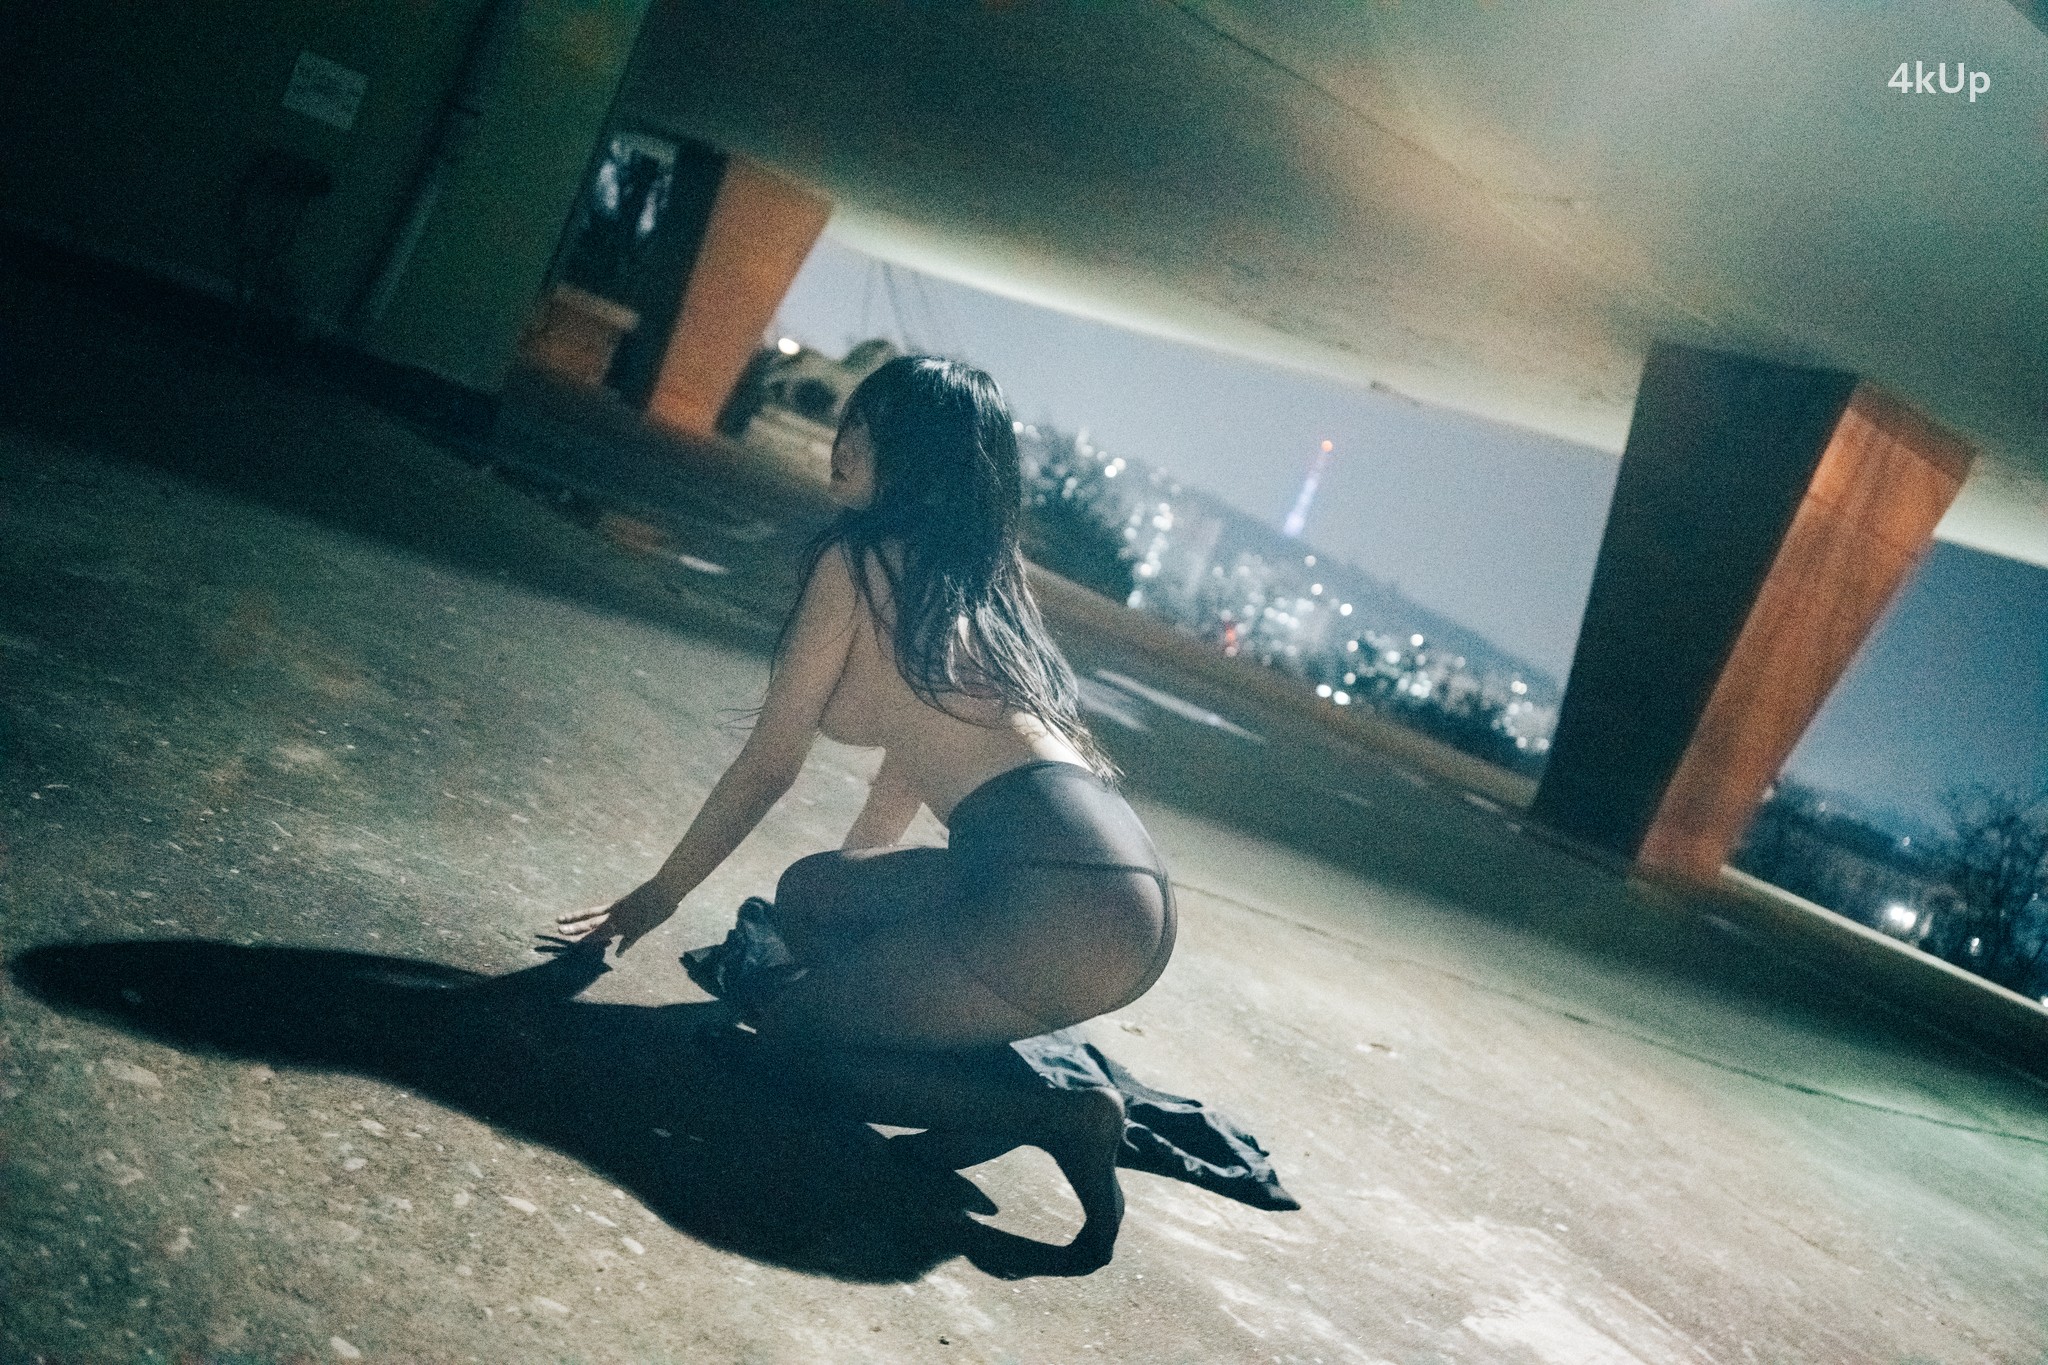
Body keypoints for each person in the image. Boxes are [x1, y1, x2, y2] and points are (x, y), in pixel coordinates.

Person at [547, 356, 1176, 1267]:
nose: (844, 444)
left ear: (921, 460)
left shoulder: (857, 560)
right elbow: (908, 768)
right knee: (812, 894)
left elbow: (770, 765)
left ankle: (1053, 1115)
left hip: (1051, 895)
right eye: (851, 421)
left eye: (872, 432)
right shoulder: (980, 580)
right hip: (1114, 882)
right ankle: (970, 1097)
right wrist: (845, 941)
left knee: (793, 1038)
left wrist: (658, 894)